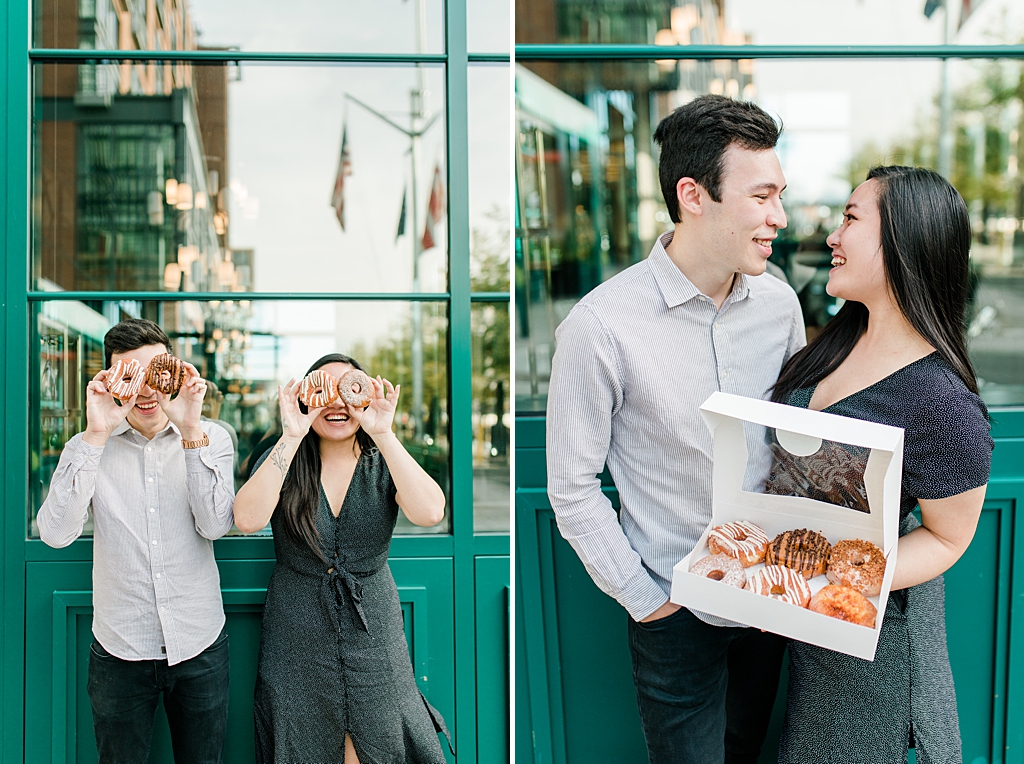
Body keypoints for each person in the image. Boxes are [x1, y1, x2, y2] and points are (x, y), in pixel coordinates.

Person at [546, 94, 806, 764]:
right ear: (693, 195)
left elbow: (794, 443)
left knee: (747, 749)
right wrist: (647, 602)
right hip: (674, 606)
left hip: (773, 594)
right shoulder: (599, 326)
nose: (779, 217)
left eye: (780, 195)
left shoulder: (779, 303)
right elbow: (572, 488)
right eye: (762, 196)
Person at [771, 166, 992, 764]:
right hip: (814, 656)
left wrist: (830, 580)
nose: (832, 238)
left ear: (902, 240)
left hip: (882, 678)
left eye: (849, 219)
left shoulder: (941, 402)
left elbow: (948, 540)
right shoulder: (833, 344)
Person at [233, 353, 452, 764]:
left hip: (373, 630)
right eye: (324, 392)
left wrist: (384, 434)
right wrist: (292, 435)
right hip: (296, 629)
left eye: (348, 391)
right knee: (301, 740)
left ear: (365, 396)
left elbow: (430, 512)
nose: (336, 403)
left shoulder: (382, 462)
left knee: (379, 739)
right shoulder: (284, 460)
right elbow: (246, 518)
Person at [37, 318, 236, 764]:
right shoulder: (87, 446)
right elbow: (54, 534)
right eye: (131, 377)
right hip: (120, 649)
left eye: (156, 374)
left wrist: (189, 430)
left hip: (199, 641)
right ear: (109, 382)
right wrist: (95, 433)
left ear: (175, 373)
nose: (146, 390)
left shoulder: (211, 438)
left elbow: (214, 525)